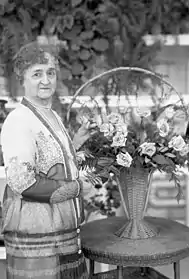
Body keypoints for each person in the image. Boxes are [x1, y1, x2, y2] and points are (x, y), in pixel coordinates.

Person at [0, 41, 96, 279]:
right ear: (22, 78)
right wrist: (77, 187)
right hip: (36, 235)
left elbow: (49, 161)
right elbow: (23, 182)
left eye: (50, 73)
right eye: (37, 74)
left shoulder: (51, 114)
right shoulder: (18, 120)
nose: (46, 80)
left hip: (62, 231)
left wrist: (75, 143)